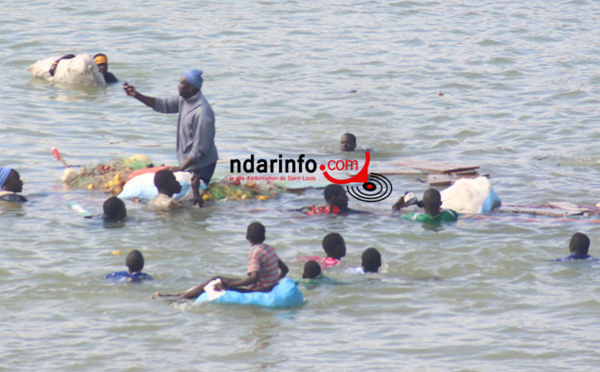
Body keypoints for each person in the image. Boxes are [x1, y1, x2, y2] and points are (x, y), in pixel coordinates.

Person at [124, 69, 218, 207]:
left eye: (181, 84)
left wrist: (180, 168)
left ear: (190, 88)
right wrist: (137, 95)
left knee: (190, 202)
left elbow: (199, 150)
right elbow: (163, 104)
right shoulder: (184, 100)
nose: (178, 86)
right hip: (188, 162)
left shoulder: (202, 113)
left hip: (201, 165)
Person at [157, 222, 289, 299]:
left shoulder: (255, 252)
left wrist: (228, 285)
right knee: (218, 278)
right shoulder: (270, 249)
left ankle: (179, 298)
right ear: (264, 236)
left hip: (258, 291)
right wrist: (273, 281)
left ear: (247, 237)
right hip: (268, 288)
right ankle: (180, 295)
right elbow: (285, 269)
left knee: (216, 282)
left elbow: (253, 278)